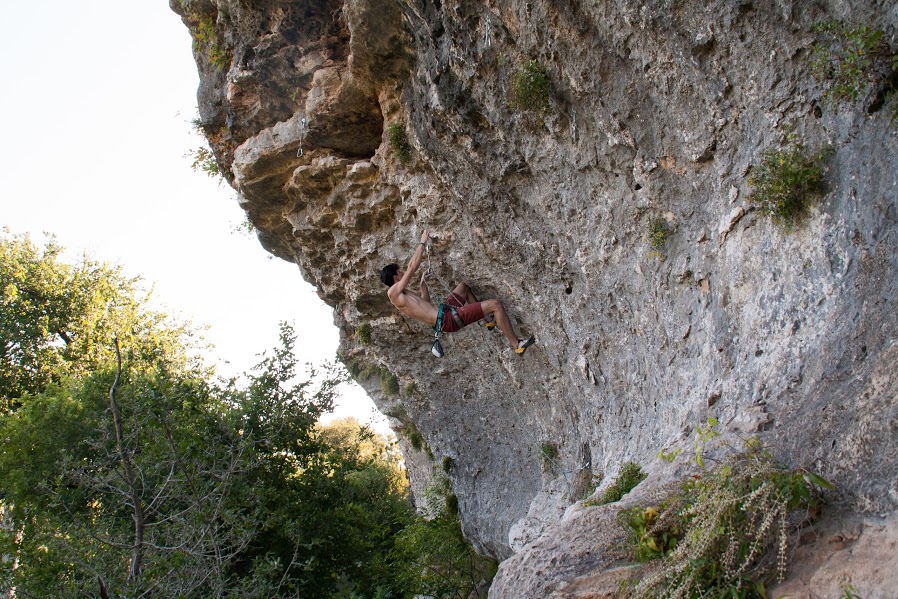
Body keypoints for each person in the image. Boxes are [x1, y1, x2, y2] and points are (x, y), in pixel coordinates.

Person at [380, 229, 536, 355]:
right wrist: (422, 241)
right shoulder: (393, 293)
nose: (403, 273)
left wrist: (423, 285)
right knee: (496, 305)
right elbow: (412, 267)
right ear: (395, 276)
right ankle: (517, 345)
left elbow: (426, 305)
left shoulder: (403, 294)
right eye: (399, 271)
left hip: (444, 312)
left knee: (463, 287)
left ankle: (488, 320)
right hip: (448, 319)